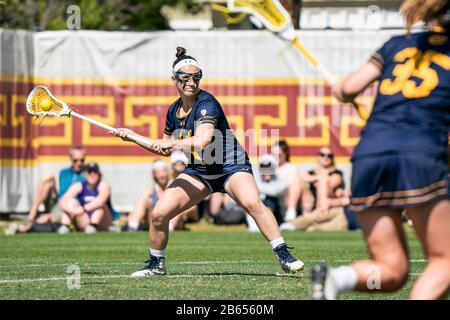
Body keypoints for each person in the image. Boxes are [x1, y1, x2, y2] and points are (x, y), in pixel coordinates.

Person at [112, 47, 304, 276]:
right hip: (200, 172)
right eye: (185, 78)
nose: (192, 82)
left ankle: (284, 254)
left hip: (230, 167)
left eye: (196, 77)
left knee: (253, 203)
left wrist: (171, 144)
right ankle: (156, 265)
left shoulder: (207, 103)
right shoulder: (173, 111)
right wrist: (132, 137)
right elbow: (162, 148)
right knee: (159, 214)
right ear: (174, 80)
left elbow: (202, 141)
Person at [311, 0, 450, 300]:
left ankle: (336, 279)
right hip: (420, 155)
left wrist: (340, 89)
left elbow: (348, 89)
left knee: (391, 271)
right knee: (445, 263)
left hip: (368, 157)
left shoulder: (397, 44)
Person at [5, 145, 86, 235]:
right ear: (71, 159)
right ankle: (32, 214)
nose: (79, 163)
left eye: (82, 160)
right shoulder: (64, 172)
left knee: (48, 217)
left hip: (73, 206)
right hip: (59, 202)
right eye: (76, 160)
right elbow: (61, 194)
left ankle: (25, 227)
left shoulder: (87, 175)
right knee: (48, 177)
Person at [126, 159, 198, 232]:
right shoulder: (149, 191)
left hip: (173, 222)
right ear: (154, 175)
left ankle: (169, 228)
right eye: (158, 173)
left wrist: (182, 210)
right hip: (154, 223)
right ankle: (132, 226)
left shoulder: (175, 187)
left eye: (163, 172)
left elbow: (193, 208)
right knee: (144, 200)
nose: (161, 175)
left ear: (167, 173)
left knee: (177, 207)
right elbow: (138, 208)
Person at [285, 147, 344, 221]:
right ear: (318, 157)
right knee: (297, 181)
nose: (326, 157)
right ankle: (291, 211)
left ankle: (316, 212)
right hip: (309, 201)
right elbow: (301, 176)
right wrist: (318, 177)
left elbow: (331, 183)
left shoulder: (337, 173)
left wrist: (313, 179)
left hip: (326, 202)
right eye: (322, 155)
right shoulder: (312, 172)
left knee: (323, 181)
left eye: (329, 155)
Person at [58, 162, 113, 233]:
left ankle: (93, 226)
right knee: (70, 202)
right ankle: (65, 226)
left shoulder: (103, 185)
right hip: (85, 219)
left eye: (95, 172)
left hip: (102, 222)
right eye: (90, 172)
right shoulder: (79, 186)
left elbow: (101, 201)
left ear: (99, 174)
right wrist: (71, 210)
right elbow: (62, 201)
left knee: (99, 206)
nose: (92, 174)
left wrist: (82, 209)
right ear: (85, 174)